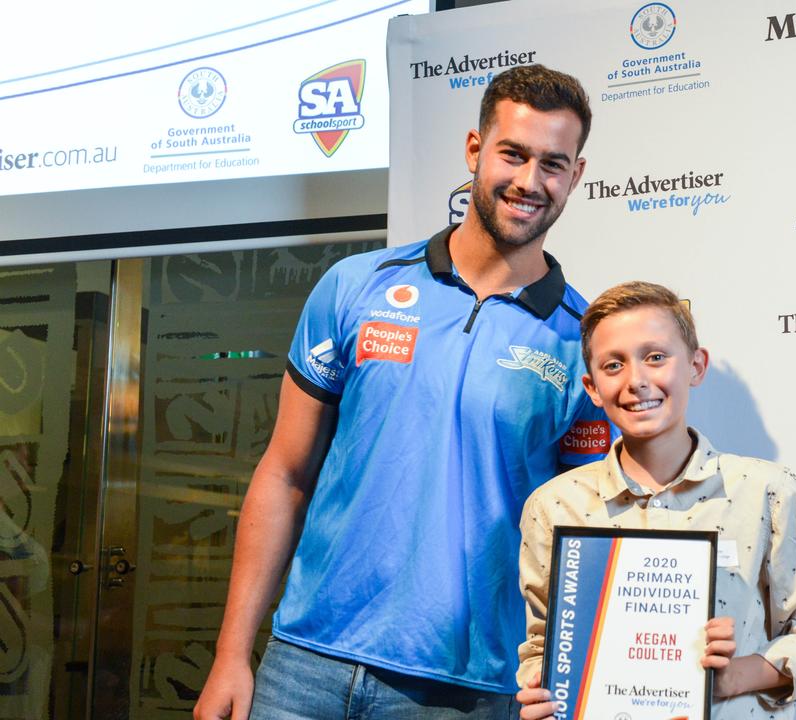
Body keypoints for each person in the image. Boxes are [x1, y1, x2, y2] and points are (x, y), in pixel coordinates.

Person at [194, 65, 610, 720]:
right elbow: (284, 473)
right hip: (305, 663)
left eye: (553, 164)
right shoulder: (355, 286)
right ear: (475, 152)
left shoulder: (584, 346)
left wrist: (573, 683)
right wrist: (230, 653)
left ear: (576, 176)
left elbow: (583, 545)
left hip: (466, 689)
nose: (530, 182)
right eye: (513, 154)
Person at [515, 282, 796, 719]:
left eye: (655, 357)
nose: (637, 380)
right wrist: (544, 694)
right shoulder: (553, 506)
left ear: (696, 366)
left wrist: (736, 675)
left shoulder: (767, 491)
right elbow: (544, 647)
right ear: (593, 387)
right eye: (613, 364)